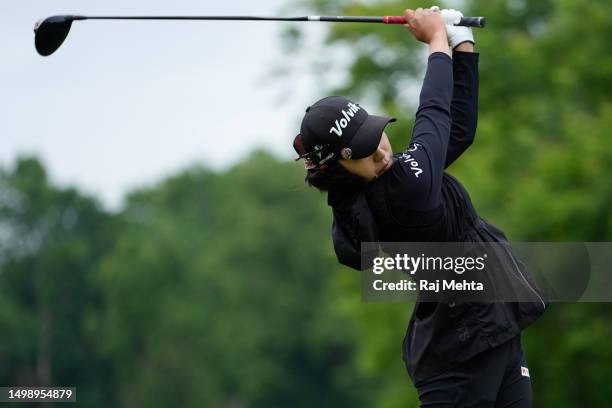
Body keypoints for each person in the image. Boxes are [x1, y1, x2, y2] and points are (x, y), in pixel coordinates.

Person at [292, 6, 547, 408]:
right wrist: (436, 41)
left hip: (490, 334)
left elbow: (456, 132)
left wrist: (463, 43)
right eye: (362, 151)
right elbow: (434, 113)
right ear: (337, 167)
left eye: (376, 135)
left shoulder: (375, 187)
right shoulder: (404, 192)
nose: (380, 151)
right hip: (462, 356)